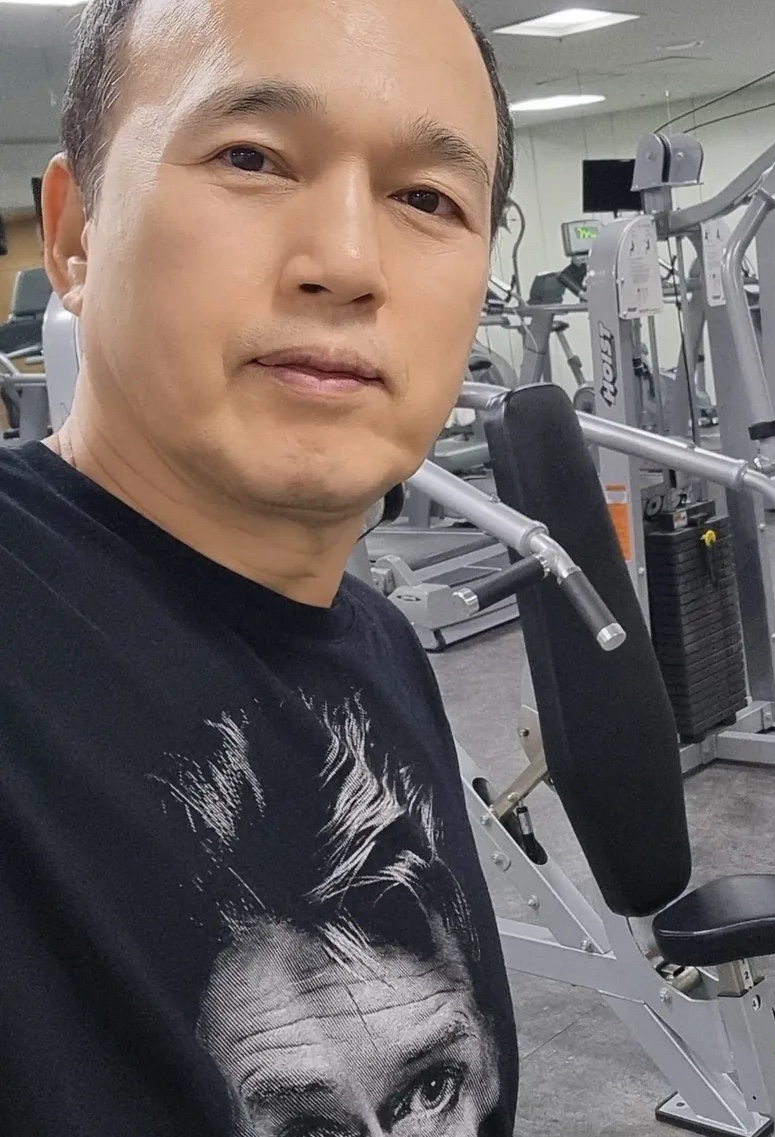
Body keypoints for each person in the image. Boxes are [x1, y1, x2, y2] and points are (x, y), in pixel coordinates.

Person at [0, 0, 518, 1133]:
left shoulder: (381, 651)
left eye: (429, 199)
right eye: (252, 157)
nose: (349, 263)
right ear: (74, 234)